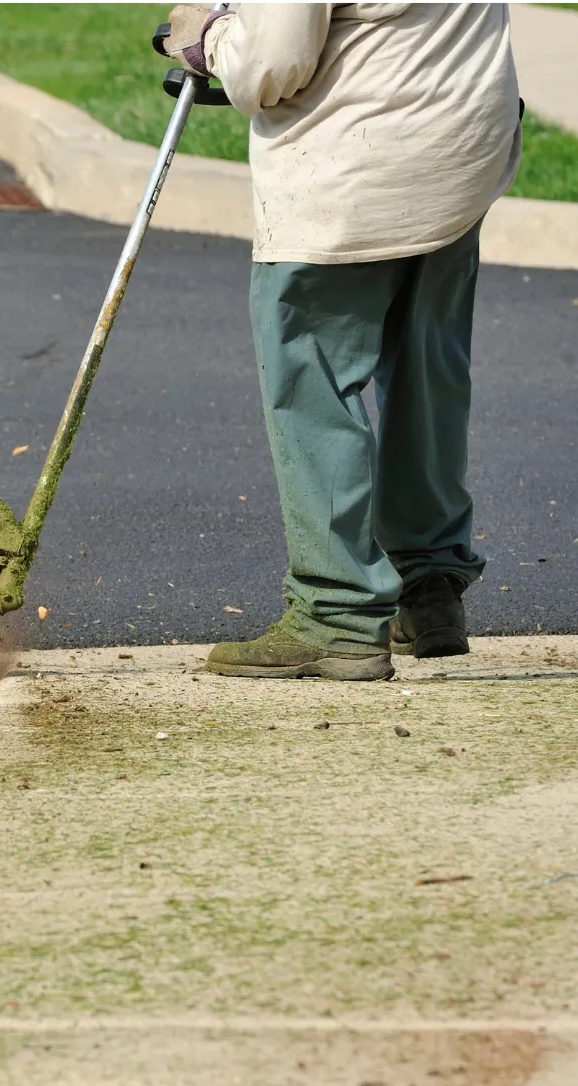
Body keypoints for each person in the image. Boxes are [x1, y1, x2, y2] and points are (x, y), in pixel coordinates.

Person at [158, 1, 522, 681]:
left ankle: (337, 613)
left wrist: (212, 38)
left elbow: (271, 66)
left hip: (356, 160)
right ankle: (430, 583)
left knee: (313, 373)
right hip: (461, 141)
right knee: (428, 367)